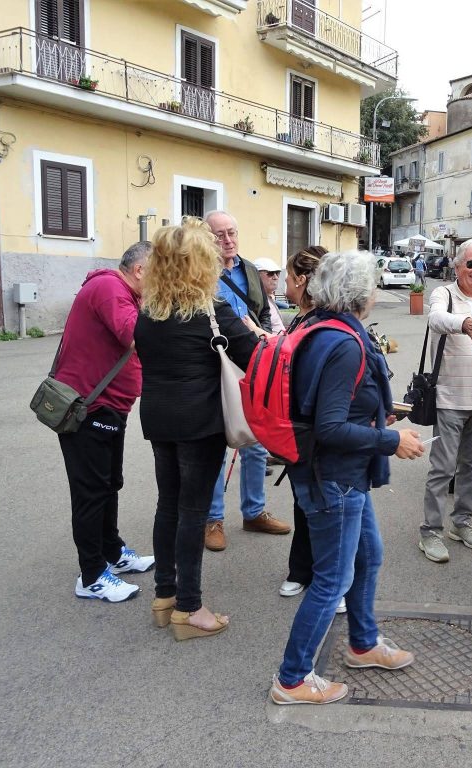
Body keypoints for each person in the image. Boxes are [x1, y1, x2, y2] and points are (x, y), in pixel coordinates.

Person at [270, 250, 426, 705]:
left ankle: (363, 643)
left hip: (339, 476)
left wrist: (380, 422)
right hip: (333, 479)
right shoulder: (343, 344)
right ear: (363, 295)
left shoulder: (322, 329)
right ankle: (292, 679)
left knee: (369, 557)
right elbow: (331, 427)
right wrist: (389, 440)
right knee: (332, 580)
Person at [134, 218, 259, 639]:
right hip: (199, 422)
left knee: (167, 505)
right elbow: (254, 356)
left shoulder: (149, 312)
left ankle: (165, 596)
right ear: (200, 263)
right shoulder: (213, 312)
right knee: (192, 511)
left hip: (158, 417)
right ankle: (190, 608)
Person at [57, 242, 155, 602]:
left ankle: (112, 552)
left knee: (108, 484)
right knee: (90, 492)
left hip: (108, 407)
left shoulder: (122, 291)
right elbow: (135, 336)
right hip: (90, 408)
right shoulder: (111, 288)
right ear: (140, 270)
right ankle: (92, 574)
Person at [203, 210, 290, 553]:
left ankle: (253, 511)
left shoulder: (250, 269)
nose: (228, 240)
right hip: (215, 364)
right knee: (216, 446)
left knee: (255, 439)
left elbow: (263, 312)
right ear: (207, 239)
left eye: (232, 232)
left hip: (252, 362)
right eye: (220, 234)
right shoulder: (202, 273)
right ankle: (213, 519)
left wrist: (266, 339)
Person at [418, 240, 472, 564]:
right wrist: (464, 322)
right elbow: (436, 320)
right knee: (442, 469)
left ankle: (462, 523)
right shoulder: (445, 294)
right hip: (449, 399)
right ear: (457, 267)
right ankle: (430, 531)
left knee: (470, 467)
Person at [275, 246, 333, 603]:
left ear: (301, 280)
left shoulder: (321, 322)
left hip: (318, 428)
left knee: (323, 503)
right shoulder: (301, 317)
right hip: (299, 428)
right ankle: (301, 569)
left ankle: (329, 579)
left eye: (287, 275)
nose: (284, 281)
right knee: (304, 499)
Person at [254, 257, 287, 334]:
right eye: (270, 273)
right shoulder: (257, 301)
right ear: (256, 275)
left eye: (277, 273)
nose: (275, 277)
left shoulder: (268, 298)